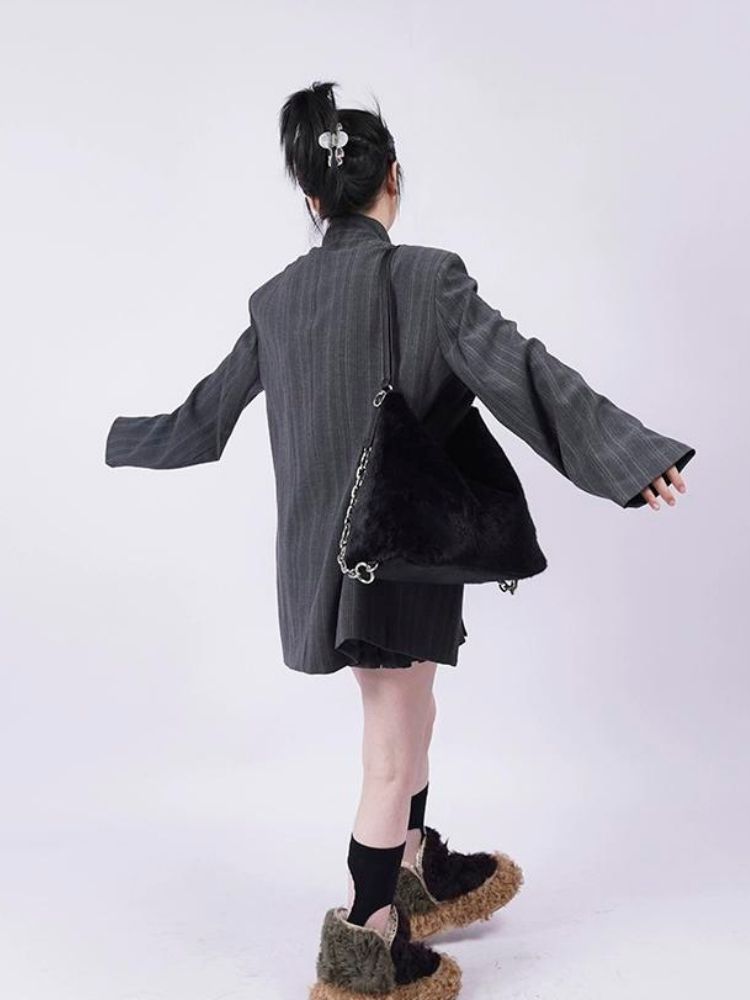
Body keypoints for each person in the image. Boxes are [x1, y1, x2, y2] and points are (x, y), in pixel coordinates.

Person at [105, 81, 696, 999]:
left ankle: (413, 866)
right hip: (396, 545)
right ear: (394, 179)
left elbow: (202, 422)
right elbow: (523, 371)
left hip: (329, 561)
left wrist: (113, 438)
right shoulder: (428, 277)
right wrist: (629, 456)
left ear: (312, 199)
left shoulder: (276, 300)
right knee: (390, 746)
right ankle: (364, 940)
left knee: (414, 711)